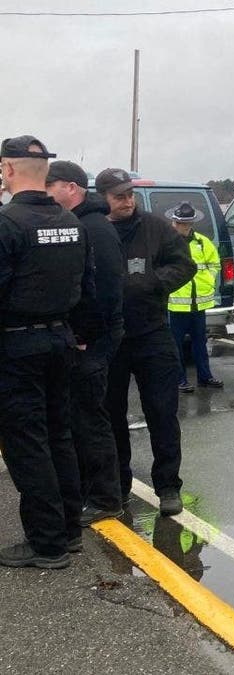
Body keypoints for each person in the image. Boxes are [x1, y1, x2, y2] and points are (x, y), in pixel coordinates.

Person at [0, 136, 95, 568]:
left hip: (18, 344)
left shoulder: (8, 223)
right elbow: (88, 288)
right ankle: (69, 529)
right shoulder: (71, 221)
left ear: (8, 170)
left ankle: (47, 543)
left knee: (28, 443)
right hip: (61, 339)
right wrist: (80, 333)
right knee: (60, 435)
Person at [98, 167, 196, 516]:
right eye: (119, 195)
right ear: (103, 198)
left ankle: (168, 486)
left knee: (162, 413)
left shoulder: (155, 227)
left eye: (130, 194)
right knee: (110, 417)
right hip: (109, 339)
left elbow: (185, 265)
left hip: (151, 333)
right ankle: (117, 487)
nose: (127, 201)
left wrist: (153, 282)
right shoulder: (94, 228)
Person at [44, 160, 126, 526]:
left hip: (93, 341)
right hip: (86, 338)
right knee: (80, 417)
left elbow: (106, 291)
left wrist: (84, 336)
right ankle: (90, 492)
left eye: (52, 187)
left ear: (71, 188)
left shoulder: (93, 228)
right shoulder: (82, 224)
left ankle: (106, 498)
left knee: (91, 419)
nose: (47, 194)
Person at [166, 202, 223, 393]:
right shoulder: (166, 243)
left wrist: (207, 281)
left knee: (200, 342)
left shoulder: (202, 242)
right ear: (174, 222)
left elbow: (215, 265)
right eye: (181, 223)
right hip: (175, 306)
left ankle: (205, 377)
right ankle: (178, 379)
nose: (185, 226)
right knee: (176, 346)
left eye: (188, 223)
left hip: (199, 304)